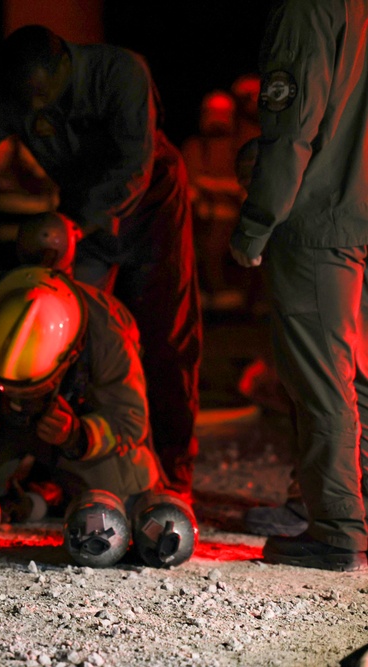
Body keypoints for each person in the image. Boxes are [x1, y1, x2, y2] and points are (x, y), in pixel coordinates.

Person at [0, 25, 201, 497]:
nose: (38, 110)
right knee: (59, 332)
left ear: (66, 64)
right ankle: (56, 458)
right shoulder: (5, 91)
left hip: (151, 202)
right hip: (76, 210)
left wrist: (81, 226)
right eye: (29, 103)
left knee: (166, 330)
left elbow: (132, 167)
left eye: (47, 98)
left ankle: (173, 468)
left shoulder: (121, 71)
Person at [0, 211, 162, 526]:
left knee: (120, 497)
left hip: (69, 436)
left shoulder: (107, 330)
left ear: (72, 351)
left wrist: (78, 435)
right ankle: (16, 497)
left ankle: (50, 494)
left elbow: (129, 419)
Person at [230, 0, 368, 571]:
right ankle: (353, 511)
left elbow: (292, 128)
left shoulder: (308, 8)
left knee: (320, 379)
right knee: (355, 374)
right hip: (360, 212)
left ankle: (336, 529)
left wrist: (255, 224)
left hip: (318, 220)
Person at [180, 90, 248, 310]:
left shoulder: (241, 148)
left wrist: (213, 186)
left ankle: (232, 294)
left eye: (222, 113)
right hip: (202, 216)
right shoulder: (194, 147)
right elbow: (190, 182)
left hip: (234, 217)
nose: (217, 119)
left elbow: (245, 186)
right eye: (212, 113)